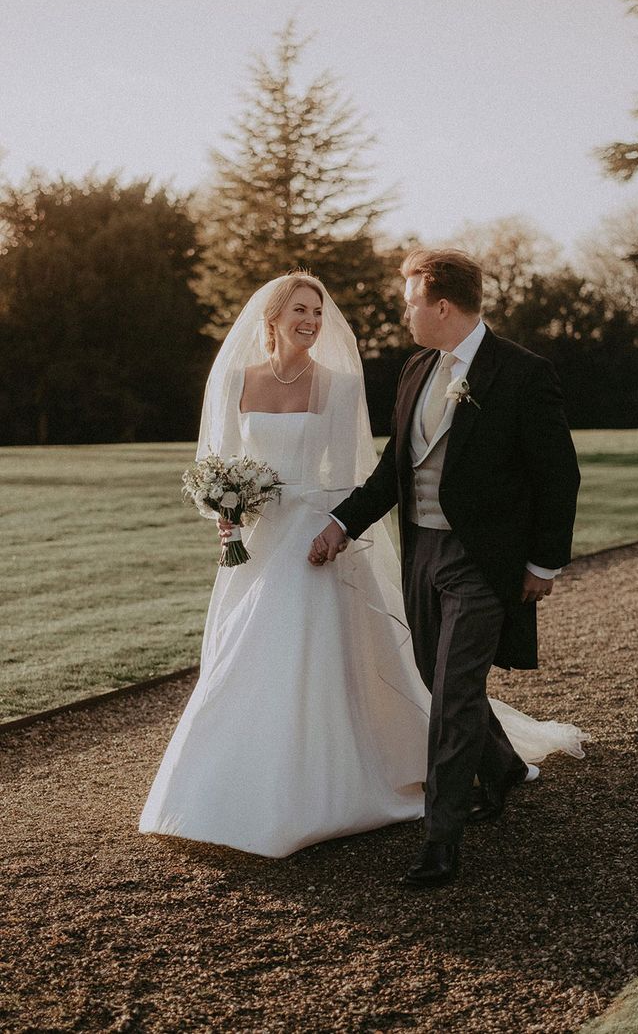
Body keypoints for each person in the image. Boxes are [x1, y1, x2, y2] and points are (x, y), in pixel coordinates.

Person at [139, 271, 587, 863]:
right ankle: (230, 786)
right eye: (300, 310)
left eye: (318, 312)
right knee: (250, 653)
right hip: (260, 540)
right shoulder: (238, 380)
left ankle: (398, 822)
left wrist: (339, 525)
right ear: (271, 317)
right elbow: (218, 460)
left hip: (320, 532)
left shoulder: (343, 386)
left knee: (392, 668)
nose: (312, 322)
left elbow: (361, 473)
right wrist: (224, 507)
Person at [310, 250, 583, 888]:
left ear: (440, 304)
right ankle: (507, 767)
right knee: (439, 681)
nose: (402, 311)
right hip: (423, 552)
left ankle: (441, 839)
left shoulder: (521, 373)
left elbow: (557, 474)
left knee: (455, 694)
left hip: (482, 561)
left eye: (409, 300)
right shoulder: (415, 370)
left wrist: (543, 562)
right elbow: (393, 473)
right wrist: (342, 523)